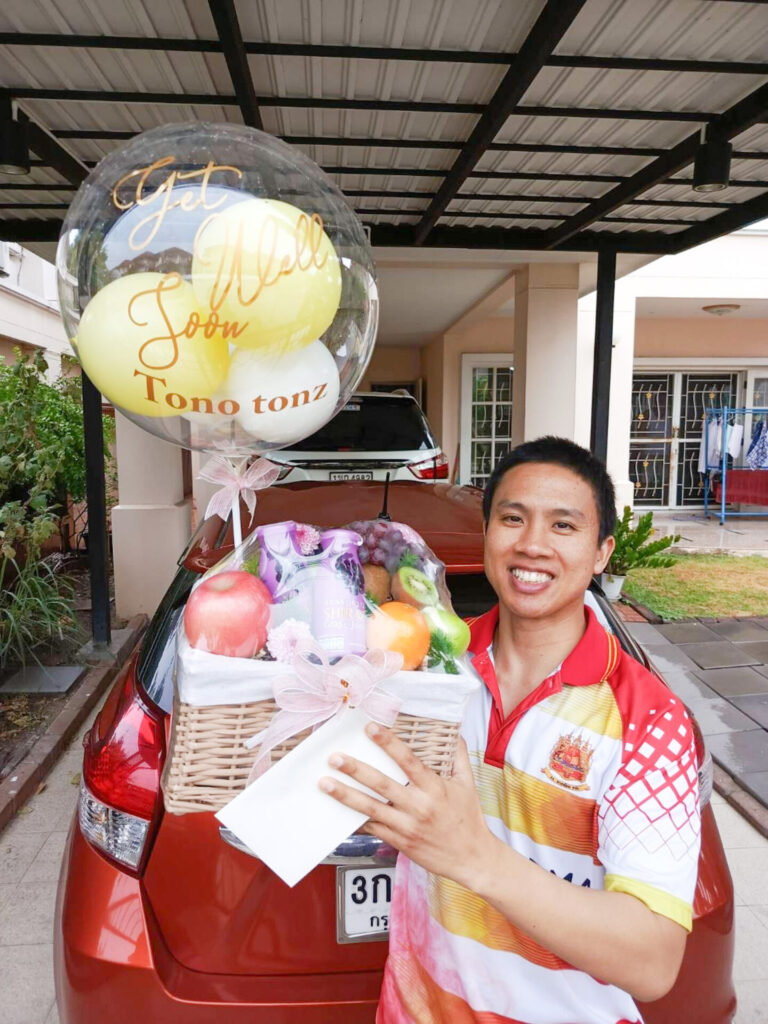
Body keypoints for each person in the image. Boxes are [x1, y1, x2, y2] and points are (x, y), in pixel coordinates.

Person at [321, 436, 702, 1024]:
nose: (532, 545)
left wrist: (474, 855)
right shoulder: (428, 667)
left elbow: (653, 961)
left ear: (602, 552)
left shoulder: (649, 719)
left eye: (564, 526)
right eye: (513, 518)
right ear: (488, 532)